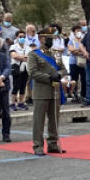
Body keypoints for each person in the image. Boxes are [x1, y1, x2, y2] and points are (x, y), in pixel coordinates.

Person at [28, 28, 67, 156]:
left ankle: (53, 143)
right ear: (41, 39)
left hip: (55, 90)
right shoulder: (34, 54)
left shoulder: (56, 54)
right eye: (48, 38)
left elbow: (63, 69)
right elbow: (33, 73)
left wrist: (59, 75)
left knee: (54, 119)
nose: (51, 40)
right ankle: (38, 145)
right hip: (41, 91)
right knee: (39, 120)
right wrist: (49, 78)